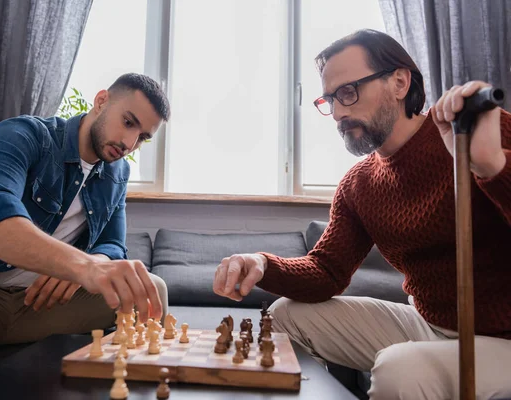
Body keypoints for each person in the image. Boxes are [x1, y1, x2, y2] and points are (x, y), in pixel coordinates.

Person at [213, 30, 511, 400]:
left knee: (400, 369)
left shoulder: (477, 131)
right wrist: (261, 263)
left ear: (400, 82)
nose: (337, 112)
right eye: (330, 100)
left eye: (348, 93)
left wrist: (490, 166)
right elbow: (326, 273)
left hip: (503, 341)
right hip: (428, 323)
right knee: (286, 315)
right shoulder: (359, 184)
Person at [0, 72, 171, 399]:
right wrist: (81, 267)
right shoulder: (24, 135)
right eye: (128, 122)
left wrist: (93, 263)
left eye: (143, 137)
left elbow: (112, 245)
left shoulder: (117, 173)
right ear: (101, 101)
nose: (130, 144)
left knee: (149, 289)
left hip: (41, 306)